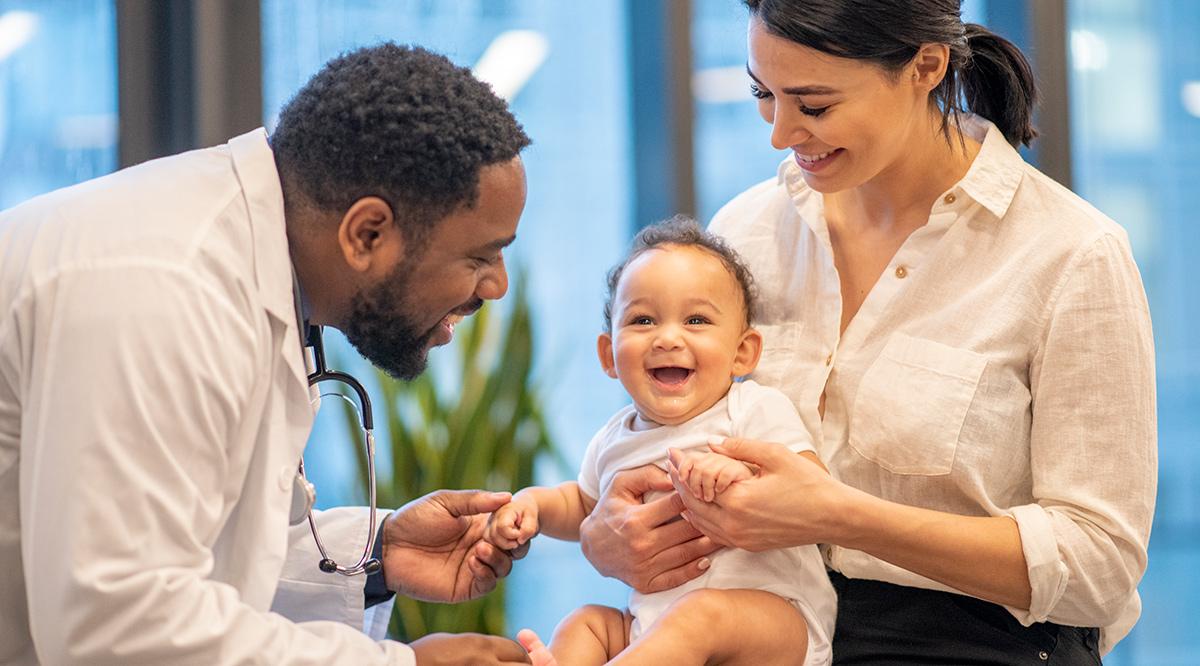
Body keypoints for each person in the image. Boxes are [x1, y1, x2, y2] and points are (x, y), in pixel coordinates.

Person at [579, 1, 1156, 663]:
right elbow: (667, 432)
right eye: (764, 95)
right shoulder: (747, 231)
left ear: (925, 66)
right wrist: (608, 535)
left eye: (814, 105)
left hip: (971, 644)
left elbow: (1100, 569)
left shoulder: (1071, 254)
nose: (780, 133)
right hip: (759, 628)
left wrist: (837, 513)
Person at [0, 43, 537, 665]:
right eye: (478, 257)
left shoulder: (252, 268)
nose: (497, 286)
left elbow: (188, 554)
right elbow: (121, 625)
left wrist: (378, 554)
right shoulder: (162, 287)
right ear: (366, 234)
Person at [486, 218, 836, 665]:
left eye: (696, 319)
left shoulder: (751, 409)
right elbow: (582, 507)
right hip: (653, 629)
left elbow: (815, 489)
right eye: (643, 319)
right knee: (586, 622)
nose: (668, 338)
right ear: (608, 355)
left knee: (701, 614)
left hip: (772, 622)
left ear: (742, 352)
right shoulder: (614, 438)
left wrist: (741, 474)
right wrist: (532, 506)